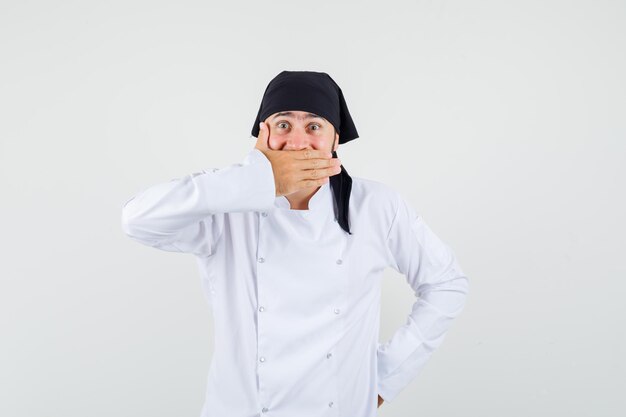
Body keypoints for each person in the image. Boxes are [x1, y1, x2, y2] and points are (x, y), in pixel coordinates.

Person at [121, 70, 469, 417]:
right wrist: (254, 180)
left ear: (335, 139)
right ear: (263, 135)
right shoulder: (226, 207)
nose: (298, 142)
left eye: (314, 126)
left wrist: (387, 377)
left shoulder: (376, 205)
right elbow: (137, 220)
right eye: (283, 124)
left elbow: (446, 283)